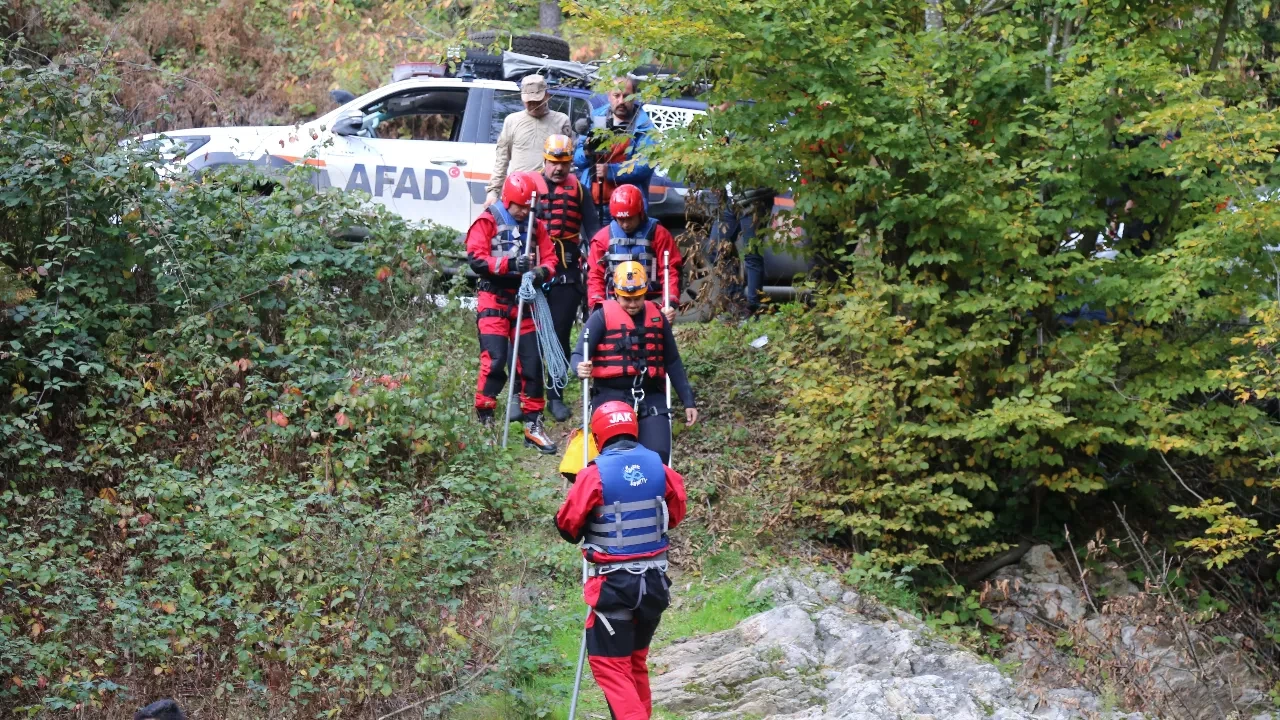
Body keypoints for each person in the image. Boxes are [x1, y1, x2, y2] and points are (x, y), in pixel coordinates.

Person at [554, 401, 687, 720]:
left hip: (615, 585)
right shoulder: (659, 467)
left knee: (611, 667)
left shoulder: (593, 474)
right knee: (635, 663)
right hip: (654, 585)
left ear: (598, 435)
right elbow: (675, 513)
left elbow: (568, 526)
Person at [466, 171, 559, 454]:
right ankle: (485, 420)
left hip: (525, 300)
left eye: (528, 208)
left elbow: (551, 259)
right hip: (493, 297)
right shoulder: (488, 221)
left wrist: (539, 272)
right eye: (520, 207)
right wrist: (509, 265)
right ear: (508, 200)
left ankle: (533, 425)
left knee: (531, 364)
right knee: (495, 361)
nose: (524, 212)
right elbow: (476, 258)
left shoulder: (536, 226)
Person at [571, 262, 697, 464]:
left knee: (658, 456)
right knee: (618, 457)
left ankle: (655, 484)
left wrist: (688, 401)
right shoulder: (600, 317)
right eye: (626, 299)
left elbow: (673, 361)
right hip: (610, 396)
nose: (632, 304)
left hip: (650, 395)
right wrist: (579, 367)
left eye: (637, 298)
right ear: (616, 294)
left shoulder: (658, 317)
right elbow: (578, 354)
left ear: (645, 292)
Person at [531, 134, 587, 423]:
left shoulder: (579, 189)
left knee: (560, 332)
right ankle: (527, 394)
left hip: (567, 269)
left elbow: (594, 228)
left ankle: (555, 394)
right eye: (553, 162)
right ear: (545, 160)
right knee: (530, 334)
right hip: (535, 268)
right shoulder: (529, 186)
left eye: (564, 162)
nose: (558, 168)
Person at [586, 184, 683, 322]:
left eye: (630, 218)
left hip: (652, 302)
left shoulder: (659, 234)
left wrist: (669, 303)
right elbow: (595, 276)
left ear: (640, 213)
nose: (625, 224)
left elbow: (671, 270)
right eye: (621, 219)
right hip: (616, 303)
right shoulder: (601, 239)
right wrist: (597, 307)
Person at [573, 76, 655, 224]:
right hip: (592, 204)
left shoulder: (643, 126)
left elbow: (645, 166)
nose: (621, 101)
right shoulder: (596, 119)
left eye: (626, 96)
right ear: (609, 96)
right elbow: (577, 159)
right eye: (617, 95)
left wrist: (611, 171)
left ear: (634, 97)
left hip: (626, 207)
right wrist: (587, 152)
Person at [486, 75, 572, 207]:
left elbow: (568, 161)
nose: (533, 105)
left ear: (547, 96)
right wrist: (493, 192)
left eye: (537, 101)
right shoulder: (511, 121)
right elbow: (502, 160)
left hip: (549, 194)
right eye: (529, 101)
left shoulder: (561, 121)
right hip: (517, 190)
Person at [707, 186, 773, 316]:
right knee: (715, 250)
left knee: (752, 253)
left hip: (754, 198)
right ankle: (736, 304)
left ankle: (753, 309)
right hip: (730, 200)